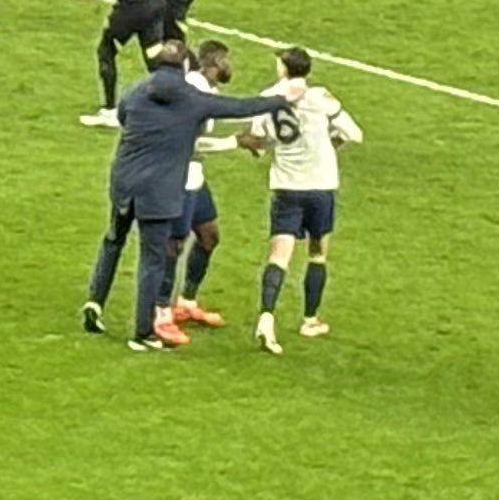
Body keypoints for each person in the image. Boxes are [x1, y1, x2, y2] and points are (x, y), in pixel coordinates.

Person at [83, 39, 293, 350]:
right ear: (184, 65)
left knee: (113, 240)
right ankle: (143, 333)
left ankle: (95, 303)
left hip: (124, 181)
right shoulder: (192, 99)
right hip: (159, 189)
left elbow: (125, 118)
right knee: (153, 259)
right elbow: (239, 107)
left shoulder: (136, 91)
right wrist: (280, 100)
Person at [249, 45, 362, 352]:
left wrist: (270, 148)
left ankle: (266, 317)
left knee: (278, 256)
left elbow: (258, 143)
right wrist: (329, 145)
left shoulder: (267, 99)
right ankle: (310, 320)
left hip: (286, 187)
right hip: (321, 186)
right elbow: (354, 133)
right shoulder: (320, 97)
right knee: (317, 254)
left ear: (283, 69)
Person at [170, 42, 248, 330]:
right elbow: (190, 142)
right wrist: (234, 142)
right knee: (174, 244)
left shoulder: (207, 89)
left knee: (209, 235)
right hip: (180, 174)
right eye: (226, 60)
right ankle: (159, 311)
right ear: (213, 63)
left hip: (195, 173)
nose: (230, 66)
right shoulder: (194, 90)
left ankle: (186, 303)